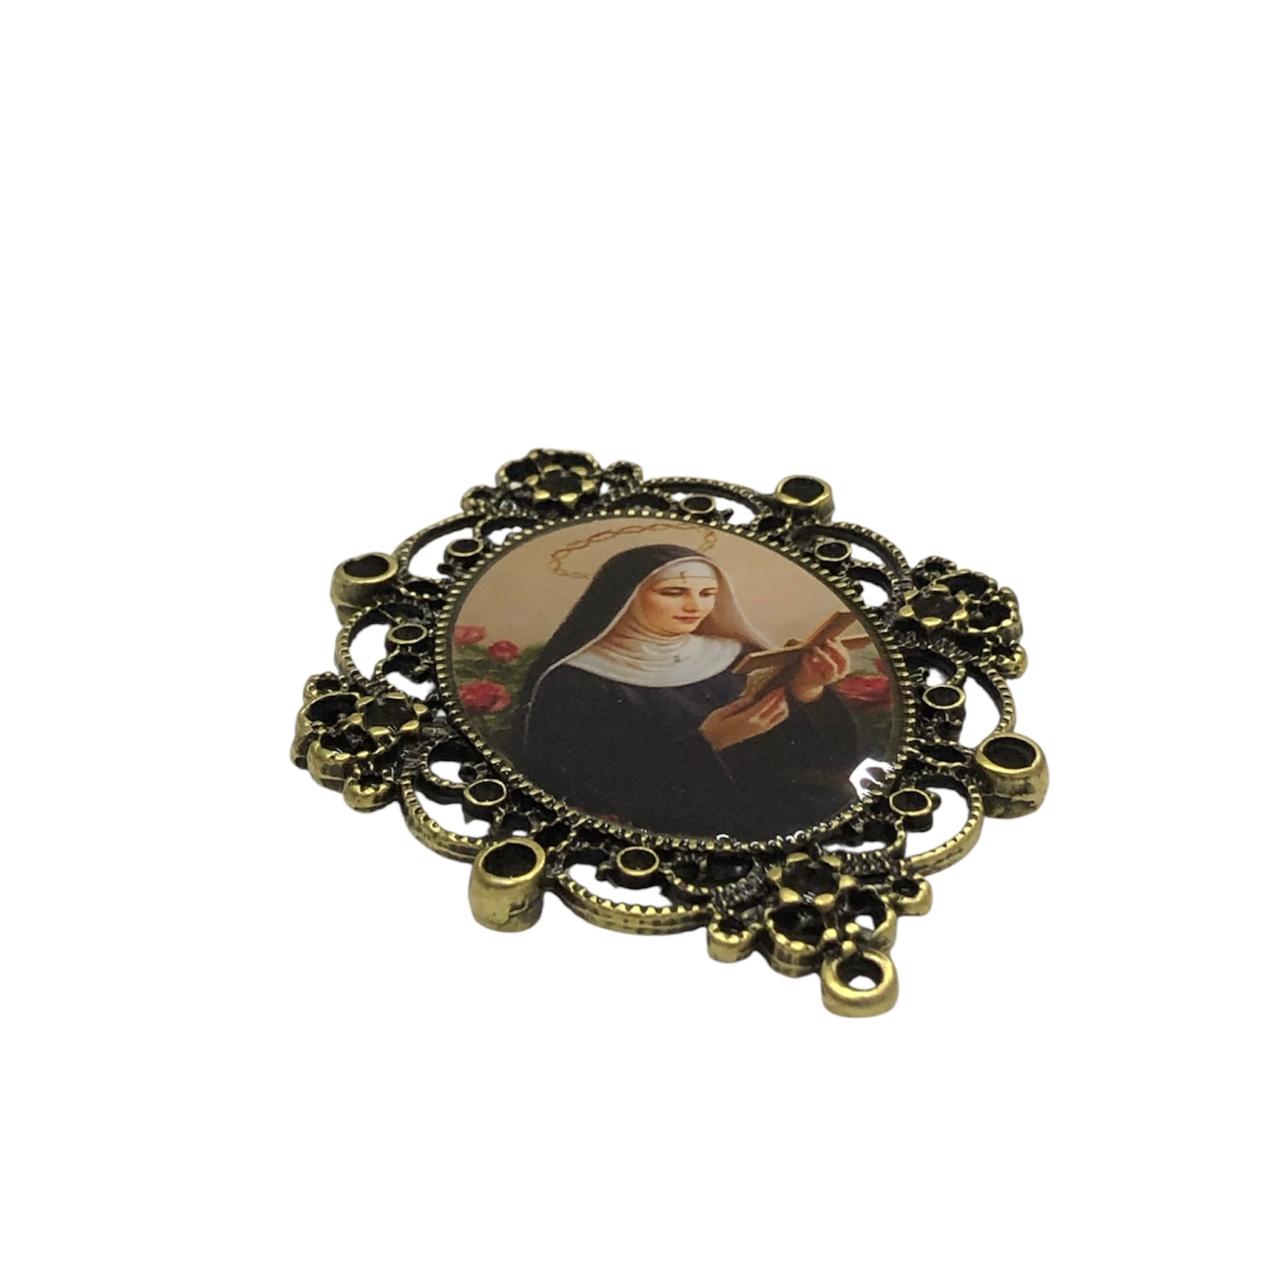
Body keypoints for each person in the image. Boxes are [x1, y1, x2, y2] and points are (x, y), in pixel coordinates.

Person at [516, 543, 867, 840]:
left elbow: (809, 759)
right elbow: (579, 785)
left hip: (765, 807)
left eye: (707, 594)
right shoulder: (576, 679)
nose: (695, 606)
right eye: (673, 592)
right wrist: (710, 742)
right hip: (672, 828)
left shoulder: (737, 654)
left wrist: (808, 691)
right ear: (626, 599)